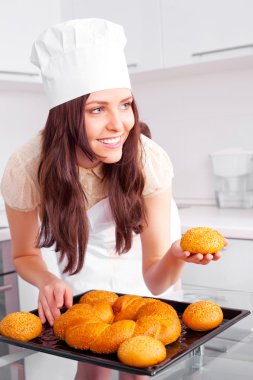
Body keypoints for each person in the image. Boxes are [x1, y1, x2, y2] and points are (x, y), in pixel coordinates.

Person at [0, 19, 223, 380]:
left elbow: (154, 279)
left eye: (126, 104)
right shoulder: (27, 168)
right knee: (92, 359)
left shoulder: (148, 161)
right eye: (97, 109)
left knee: (138, 366)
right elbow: (25, 254)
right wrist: (47, 281)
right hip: (85, 265)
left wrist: (177, 254)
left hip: (143, 261)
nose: (119, 124)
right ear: (66, 117)